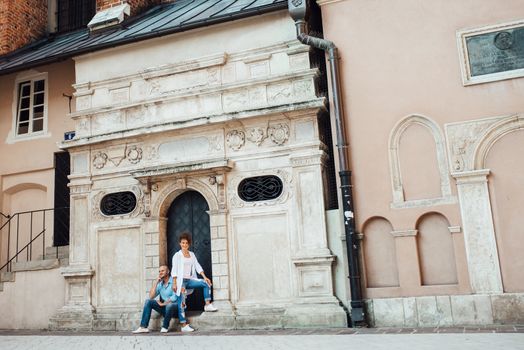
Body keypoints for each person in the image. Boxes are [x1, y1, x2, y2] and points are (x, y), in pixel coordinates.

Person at [171, 231, 218, 332]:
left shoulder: (192, 254)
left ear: (189, 244)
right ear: (180, 243)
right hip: (181, 282)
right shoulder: (177, 255)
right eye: (183, 243)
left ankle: (207, 304)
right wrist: (174, 283)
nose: (184, 245)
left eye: (186, 243)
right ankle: (183, 325)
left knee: (206, 283)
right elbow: (174, 269)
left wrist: (204, 277)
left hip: (190, 279)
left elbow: (197, 266)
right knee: (182, 303)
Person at [132, 265, 182, 334]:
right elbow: (151, 296)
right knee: (148, 302)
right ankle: (143, 327)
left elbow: (175, 297)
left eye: (162, 271)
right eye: (159, 271)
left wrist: (163, 303)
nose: (160, 273)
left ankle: (165, 327)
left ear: (168, 272)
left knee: (170, 305)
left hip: (176, 309)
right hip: (166, 309)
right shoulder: (160, 284)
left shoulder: (174, 281)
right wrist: (155, 283)